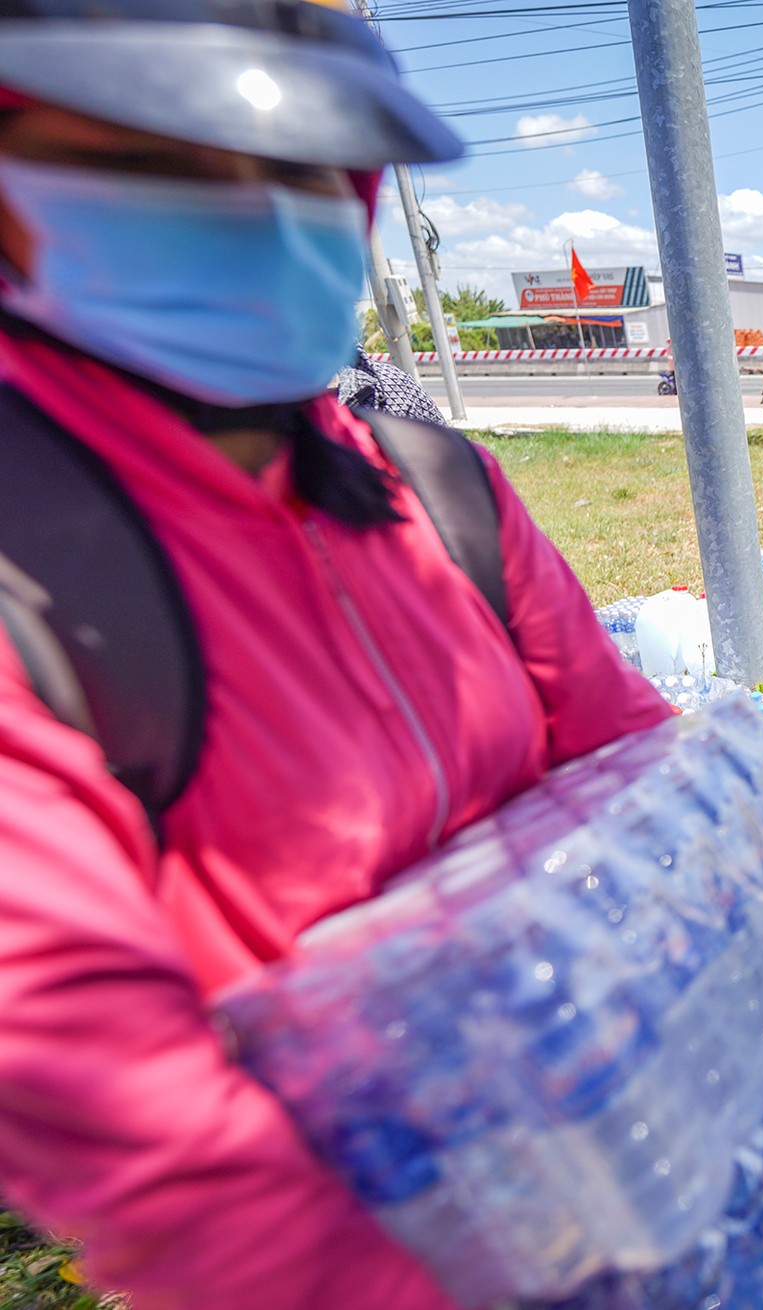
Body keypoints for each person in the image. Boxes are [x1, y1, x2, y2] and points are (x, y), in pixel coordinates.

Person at [0, 3, 671, 1306]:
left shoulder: (435, 484)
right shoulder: (31, 574)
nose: (255, 216)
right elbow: (132, 1108)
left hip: (594, 1147)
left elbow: (628, 756)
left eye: (305, 170)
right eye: (155, 163)